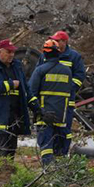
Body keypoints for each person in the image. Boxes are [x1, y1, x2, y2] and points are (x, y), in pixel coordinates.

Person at [36, 30, 86, 156]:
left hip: (66, 100)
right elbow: (39, 74)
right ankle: (49, 157)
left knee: (64, 130)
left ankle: (61, 155)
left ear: (65, 42)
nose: (55, 42)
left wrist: (66, 88)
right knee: (47, 129)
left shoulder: (74, 56)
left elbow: (79, 77)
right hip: (47, 100)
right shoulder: (44, 55)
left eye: (58, 41)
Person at [0, 39, 31, 159]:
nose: (12, 55)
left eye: (13, 52)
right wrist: (10, 85)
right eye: (8, 52)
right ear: (0, 52)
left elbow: (26, 89)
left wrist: (36, 108)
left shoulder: (17, 67)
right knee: (0, 153)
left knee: (11, 152)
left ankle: (7, 176)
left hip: (14, 117)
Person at [28, 39, 72, 167]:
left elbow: (30, 93)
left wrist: (38, 110)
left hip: (44, 115)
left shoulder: (40, 70)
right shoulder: (67, 71)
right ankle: (59, 174)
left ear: (44, 53)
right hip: (61, 116)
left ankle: (47, 172)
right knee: (59, 147)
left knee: (46, 145)